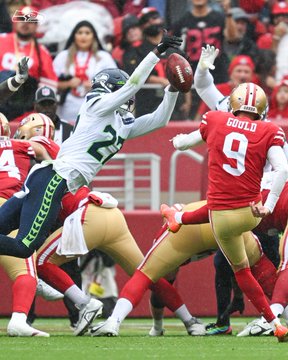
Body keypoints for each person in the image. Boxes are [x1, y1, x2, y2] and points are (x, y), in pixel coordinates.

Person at [92, 82, 288, 342]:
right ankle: (276, 323)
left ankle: (114, 321)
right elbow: (282, 170)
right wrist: (269, 205)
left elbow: (185, 143)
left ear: (233, 105)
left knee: (145, 273)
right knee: (247, 270)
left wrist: (178, 142)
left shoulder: (216, 119)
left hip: (214, 216)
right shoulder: (270, 130)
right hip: (246, 215)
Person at [0, 34, 182, 260]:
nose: (129, 96)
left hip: (55, 181)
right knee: (24, 247)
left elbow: (159, 120)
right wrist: (155, 54)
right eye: (122, 89)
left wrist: (173, 90)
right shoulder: (95, 106)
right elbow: (133, 85)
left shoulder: (120, 123)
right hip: (55, 178)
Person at [35, 187, 206, 337]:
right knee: (147, 274)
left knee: (40, 262)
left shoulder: (40, 182)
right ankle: (190, 321)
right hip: (112, 214)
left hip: (89, 218)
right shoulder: (68, 174)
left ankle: (85, 303)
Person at [0, 6, 58, 122]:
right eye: (22, 19)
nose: (25, 23)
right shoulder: (1, 40)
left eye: (30, 20)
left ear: (36, 25)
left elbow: (49, 85)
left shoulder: (42, 52)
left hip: (24, 113)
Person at [53, 20, 117, 123]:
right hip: (66, 111)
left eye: (87, 33)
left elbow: (116, 82)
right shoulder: (62, 56)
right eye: (79, 33)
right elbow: (50, 82)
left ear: (93, 36)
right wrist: (68, 83)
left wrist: (96, 86)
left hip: (95, 111)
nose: (83, 36)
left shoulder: (104, 57)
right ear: (74, 36)